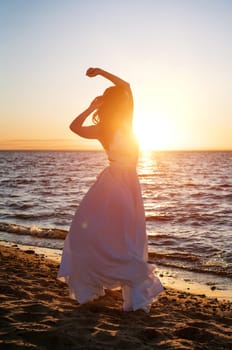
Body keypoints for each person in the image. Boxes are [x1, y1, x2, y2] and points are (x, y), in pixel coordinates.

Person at [58, 67, 163, 312]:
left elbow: (125, 86)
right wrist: (93, 105)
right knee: (115, 236)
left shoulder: (124, 121)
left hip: (124, 184)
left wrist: (98, 76)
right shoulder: (108, 127)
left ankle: (127, 290)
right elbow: (75, 127)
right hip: (114, 185)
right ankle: (112, 286)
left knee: (125, 237)